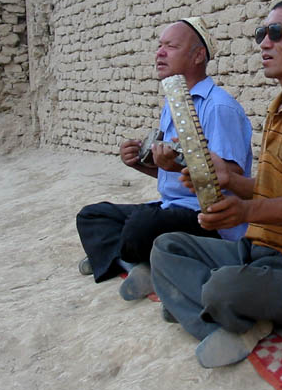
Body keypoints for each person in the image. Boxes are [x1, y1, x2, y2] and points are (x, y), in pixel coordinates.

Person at [150, 0, 282, 368]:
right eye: (261, 32)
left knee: (222, 288)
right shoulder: (279, 109)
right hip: (263, 252)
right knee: (165, 248)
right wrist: (229, 178)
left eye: (277, 32)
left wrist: (246, 209)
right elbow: (275, 190)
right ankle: (230, 316)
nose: (265, 41)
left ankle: (210, 310)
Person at [76, 16, 253, 302]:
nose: (159, 53)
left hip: (209, 220)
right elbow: (170, 176)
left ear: (197, 56)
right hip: (172, 207)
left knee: (140, 226)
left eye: (170, 46)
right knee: (92, 215)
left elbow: (231, 181)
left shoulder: (219, 107)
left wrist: (178, 165)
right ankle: (135, 263)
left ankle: (124, 259)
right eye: (160, 46)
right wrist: (140, 164)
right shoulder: (174, 104)